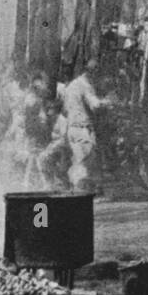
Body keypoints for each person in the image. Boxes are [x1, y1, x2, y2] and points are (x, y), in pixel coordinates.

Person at [62, 58, 107, 193]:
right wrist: (108, 102)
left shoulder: (71, 86)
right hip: (83, 127)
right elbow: (95, 105)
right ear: (91, 73)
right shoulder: (85, 85)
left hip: (72, 127)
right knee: (87, 162)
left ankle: (80, 190)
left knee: (79, 159)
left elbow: (65, 109)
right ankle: (83, 192)